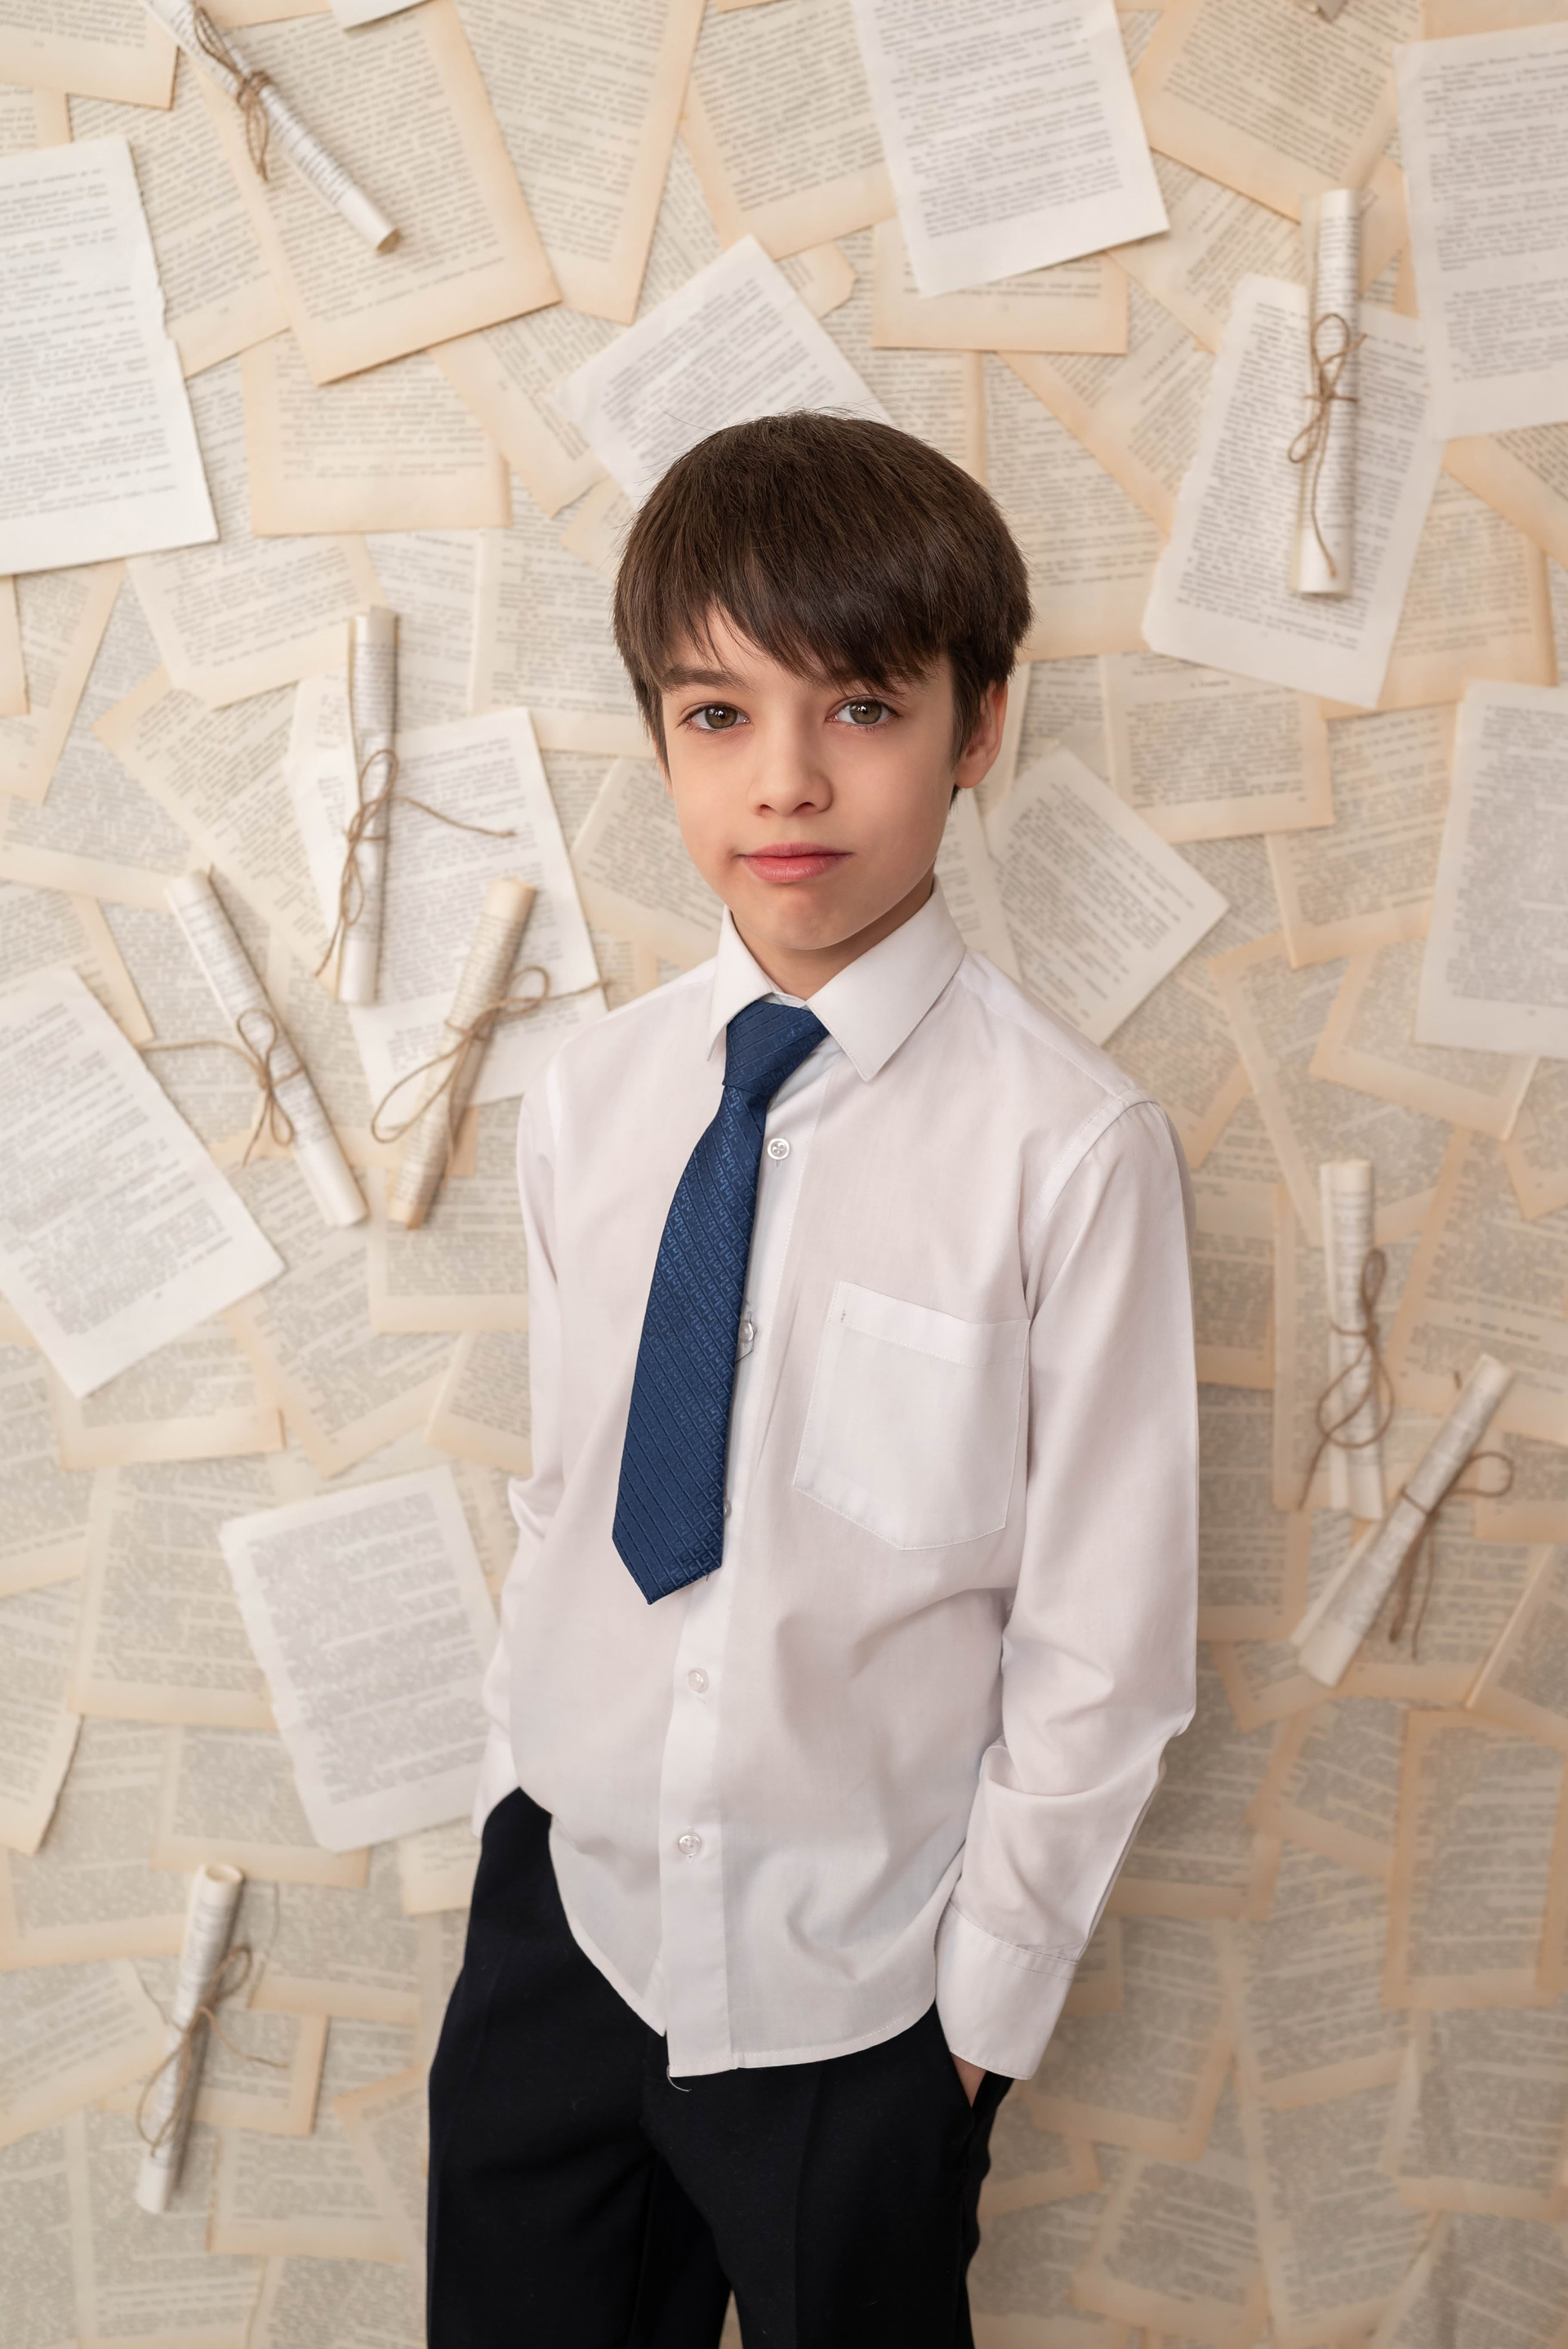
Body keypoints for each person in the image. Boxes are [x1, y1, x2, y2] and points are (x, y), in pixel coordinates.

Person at [427, 412, 1198, 2349]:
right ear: (660, 736)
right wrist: (520, 1795)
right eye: (717, 714)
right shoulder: (591, 1101)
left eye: (859, 706)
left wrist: (974, 2029)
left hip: (859, 2000)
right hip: (568, 1934)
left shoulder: (1070, 1151)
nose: (784, 779)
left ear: (978, 725)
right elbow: (567, 1491)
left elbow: (1104, 1645)